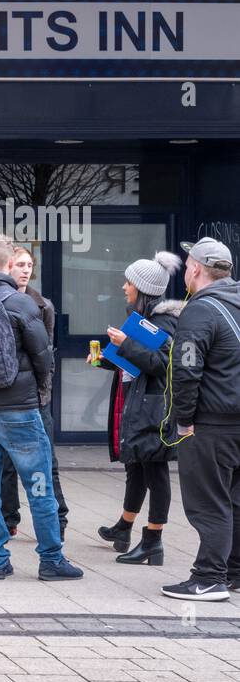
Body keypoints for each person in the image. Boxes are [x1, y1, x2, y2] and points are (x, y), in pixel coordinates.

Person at [0, 234, 81, 581]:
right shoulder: (21, 304)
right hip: (20, 408)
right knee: (38, 483)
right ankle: (51, 559)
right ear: (10, 265)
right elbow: (43, 357)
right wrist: (39, 395)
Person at [87, 251, 184, 567]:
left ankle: (153, 541)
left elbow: (162, 366)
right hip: (139, 402)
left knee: (154, 469)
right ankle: (125, 527)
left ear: (143, 288)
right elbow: (135, 365)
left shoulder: (164, 322)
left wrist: (126, 342)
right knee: (137, 466)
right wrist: (105, 359)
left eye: (128, 282)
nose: (123, 287)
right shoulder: (147, 319)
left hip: (154, 408)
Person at [162, 238, 240, 601]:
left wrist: (184, 419)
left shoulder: (199, 311)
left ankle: (209, 577)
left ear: (195, 268)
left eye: (188, 262)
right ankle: (233, 571)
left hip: (212, 424)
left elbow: (187, 368)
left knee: (209, 502)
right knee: (235, 500)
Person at [0, 245, 69, 538]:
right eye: (19, 265)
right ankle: (8, 517)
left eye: (29, 265)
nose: (26, 270)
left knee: (46, 461)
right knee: (7, 463)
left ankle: (59, 519)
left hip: (35, 397)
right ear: (7, 268)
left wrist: (43, 391)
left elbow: (46, 354)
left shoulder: (44, 305)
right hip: (6, 397)